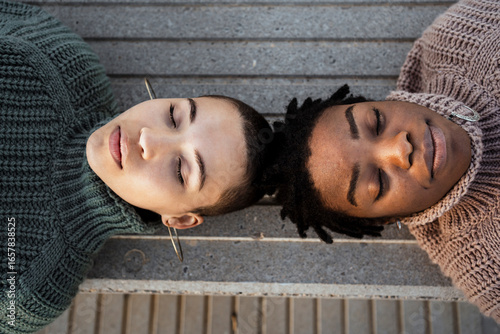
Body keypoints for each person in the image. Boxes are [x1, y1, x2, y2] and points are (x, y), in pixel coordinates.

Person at [0, 1, 273, 332]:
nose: (148, 139)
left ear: (181, 219)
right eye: (174, 116)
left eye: (180, 170)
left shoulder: (31, 287)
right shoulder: (55, 59)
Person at [267, 0, 500, 322]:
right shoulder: (489, 269)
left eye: (376, 123)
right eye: (378, 183)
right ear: (389, 219)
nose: (399, 149)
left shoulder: (468, 38)